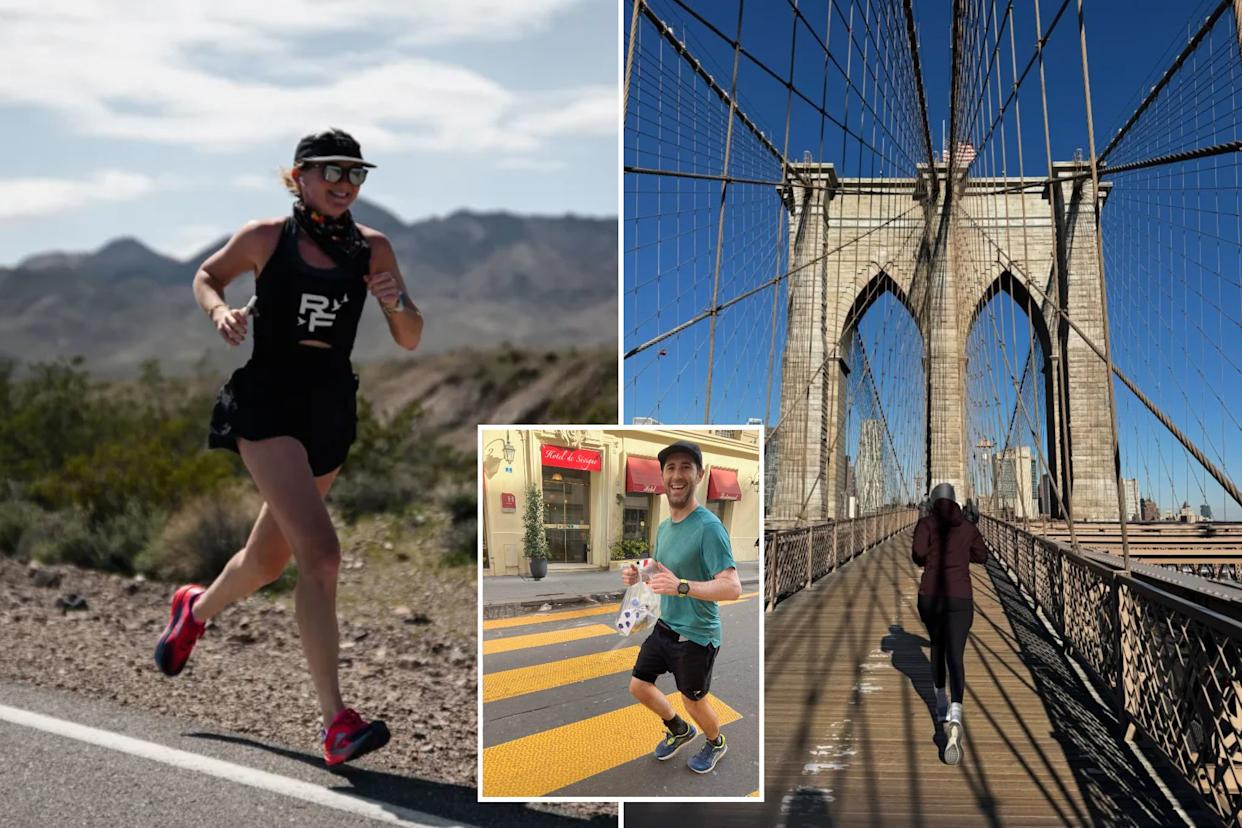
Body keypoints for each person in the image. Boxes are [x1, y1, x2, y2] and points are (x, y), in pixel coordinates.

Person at [153, 128, 424, 767]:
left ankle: (194, 609)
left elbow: (411, 336)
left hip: (329, 411)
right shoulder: (266, 237)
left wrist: (396, 303)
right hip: (268, 404)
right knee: (323, 556)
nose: (344, 184)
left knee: (265, 563)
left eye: (355, 174)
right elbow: (206, 275)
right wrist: (219, 311)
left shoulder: (371, 247)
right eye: (331, 171)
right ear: (299, 175)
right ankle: (337, 723)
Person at [622, 440, 742, 774]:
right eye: (671, 467)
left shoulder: (709, 528)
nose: (677, 475)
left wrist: (683, 587)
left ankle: (716, 741)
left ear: (699, 475)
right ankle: (679, 729)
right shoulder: (663, 525)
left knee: (693, 699)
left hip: (696, 637)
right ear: (662, 476)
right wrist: (638, 573)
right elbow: (660, 566)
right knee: (639, 686)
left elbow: (732, 587)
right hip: (665, 626)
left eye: (686, 467)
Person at [911, 482, 988, 766]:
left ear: (931, 501)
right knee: (956, 655)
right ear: (956, 502)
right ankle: (955, 715)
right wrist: (971, 530)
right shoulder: (967, 527)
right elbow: (982, 556)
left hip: (930, 597)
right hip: (960, 599)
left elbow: (918, 555)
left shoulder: (926, 523)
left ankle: (940, 708)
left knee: (937, 647)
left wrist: (923, 524)